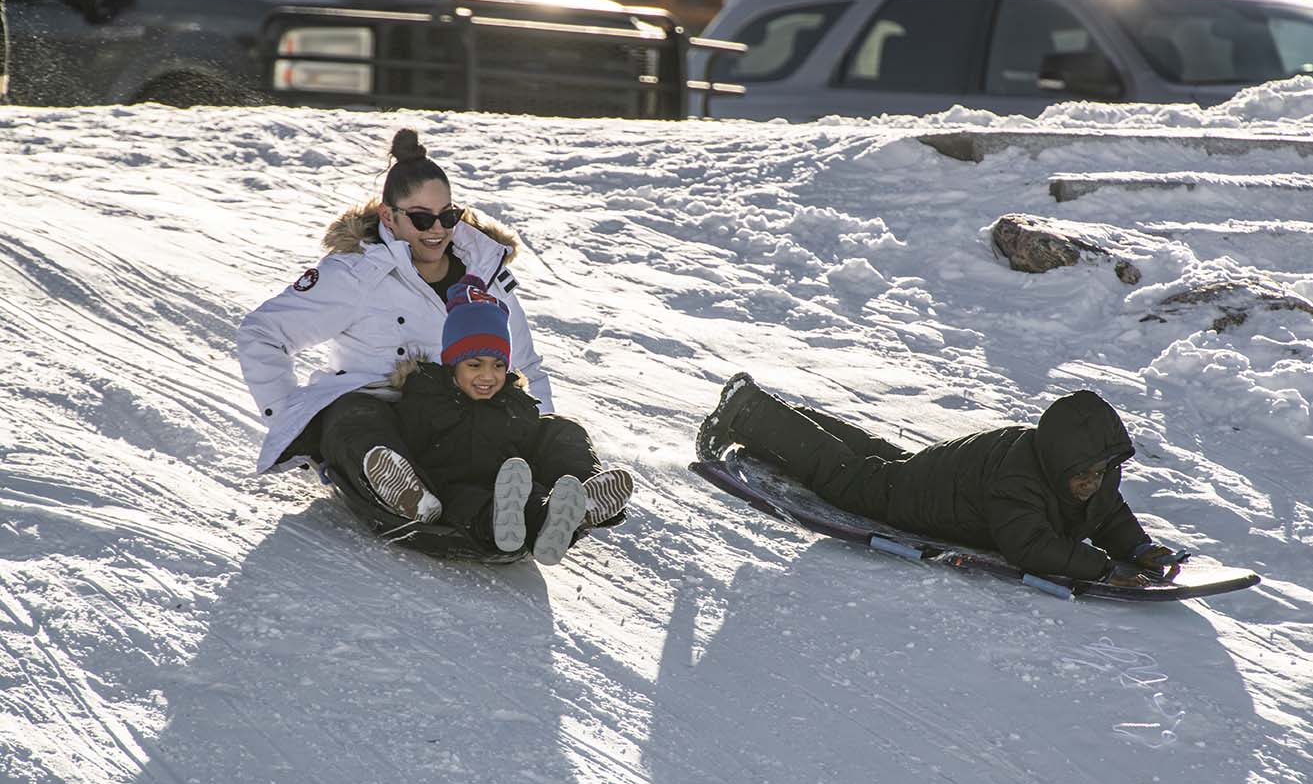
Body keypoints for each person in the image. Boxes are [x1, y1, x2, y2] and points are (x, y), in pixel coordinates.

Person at [236, 128, 553, 522]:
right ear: (389, 215)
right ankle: (403, 489)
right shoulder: (355, 273)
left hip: (460, 423)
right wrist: (291, 424)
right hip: (383, 420)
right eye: (421, 219)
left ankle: (560, 499)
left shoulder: (484, 270)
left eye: (448, 217)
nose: (437, 230)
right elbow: (262, 334)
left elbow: (525, 366)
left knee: (554, 431)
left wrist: (537, 435)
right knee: (350, 414)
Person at [697, 375, 1185, 585]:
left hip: (951, 473)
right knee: (852, 482)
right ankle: (750, 412)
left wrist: (1137, 549)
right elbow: (1029, 547)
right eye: (1083, 475)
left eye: (1100, 473)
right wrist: (1102, 569)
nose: (1092, 485)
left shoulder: (1087, 474)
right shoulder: (1021, 482)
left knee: (878, 462)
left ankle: (785, 422)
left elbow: (1108, 513)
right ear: (1059, 463)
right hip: (931, 497)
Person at [391, 276, 634, 564]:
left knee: (558, 435)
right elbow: (406, 439)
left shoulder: (514, 403)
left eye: (498, 365)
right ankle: (502, 525)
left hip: (511, 487)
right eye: (474, 365)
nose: (487, 375)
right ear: (451, 364)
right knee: (472, 505)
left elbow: (534, 451)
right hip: (453, 489)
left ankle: (578, 503)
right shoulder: (428, 396)